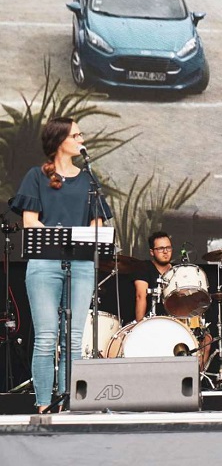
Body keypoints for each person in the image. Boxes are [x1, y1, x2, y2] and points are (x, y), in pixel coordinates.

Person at [10, 117, 113, 412]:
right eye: (76, 135)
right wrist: (62, 238)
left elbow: (95, 225)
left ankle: (69, 401)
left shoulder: (88, 179)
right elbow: (30, 221)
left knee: (74, 337)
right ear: (59, 142)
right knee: (45, 336)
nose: (82, 139)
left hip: (80, 266)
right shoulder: (36, 176)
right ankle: (44, 403)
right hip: (44, 264)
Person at [133, 231, 213, 365]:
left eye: (168, 248)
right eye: (160, 249)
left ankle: (196, 379)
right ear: (152, 252)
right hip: (156, 321)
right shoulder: (144, 268)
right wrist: (139, 328)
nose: (165, 252)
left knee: (207, 340)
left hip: (179, 320)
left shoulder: (178, 272)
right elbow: (140, 296)